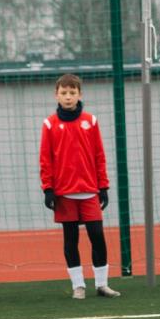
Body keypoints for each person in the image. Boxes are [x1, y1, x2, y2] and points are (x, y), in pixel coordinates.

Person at [40, 74, 120, 299]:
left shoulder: (91, 121)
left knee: (97, 236)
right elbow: (45, 159)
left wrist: (103, 186)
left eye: (72, 93)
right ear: (56, 95)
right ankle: (78, 286)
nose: (68, 97)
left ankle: (102, 284)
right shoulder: (49, 124)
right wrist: (48, 188)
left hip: (89, 190)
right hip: (64, 193)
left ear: (79, 95)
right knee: (70, 239)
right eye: (64, 93)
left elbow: (99, 155)